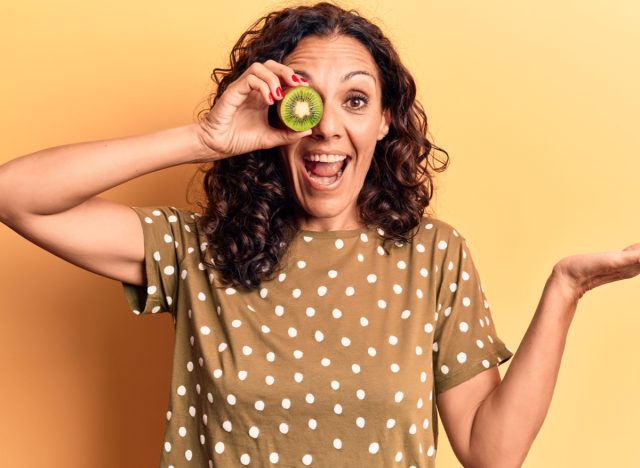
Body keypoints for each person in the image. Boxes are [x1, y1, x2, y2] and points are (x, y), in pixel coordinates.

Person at [1, 2, 639, 467]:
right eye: (308, 99)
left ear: (387, 120)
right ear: (276, 113)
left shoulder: (433, 255)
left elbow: (490, 452)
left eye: (356, 101)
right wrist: (201, 140)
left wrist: (566, 287)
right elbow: (17, 196)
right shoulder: (199, 249)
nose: (329, 127)